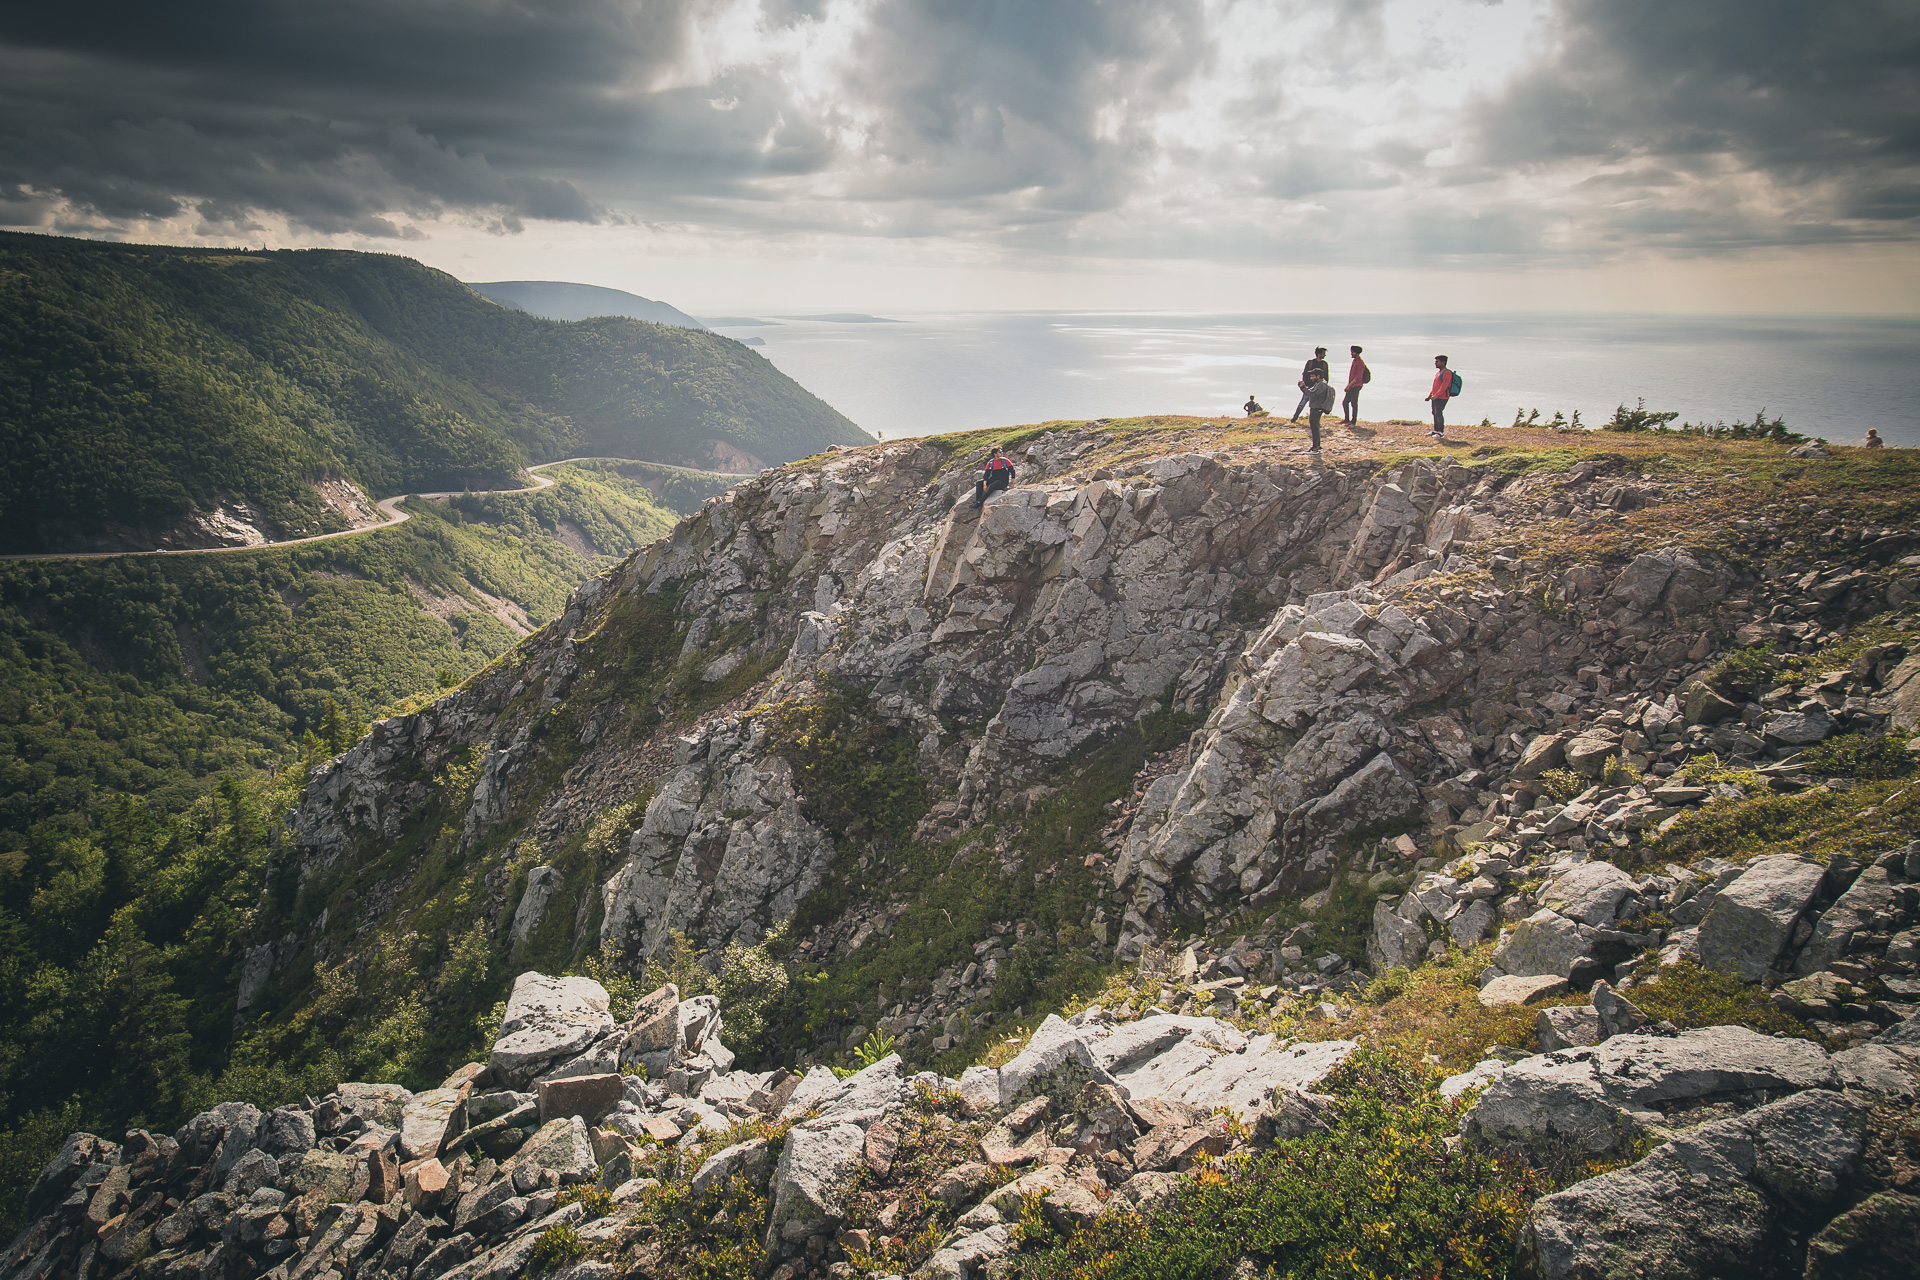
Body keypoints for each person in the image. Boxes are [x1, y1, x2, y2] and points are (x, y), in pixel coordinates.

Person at [1291, 347, 1330, 421]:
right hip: (1309, 386)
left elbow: (1326, 376)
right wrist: (1305, 384)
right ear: (1319, 354)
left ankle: (1313, 420)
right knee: (1303, 403)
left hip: (1319, 388)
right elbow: (1305, 374)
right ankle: (1295, 417)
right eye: (1323, 353)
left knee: (1315, 406)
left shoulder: (1324, 364)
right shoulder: (1310, 363)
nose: (1324, 355)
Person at [1301, 369, 1335, 452]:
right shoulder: (1319, 384)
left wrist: (1302, 387)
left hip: (1317, 409)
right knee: (1315, 427)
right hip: (1316, 408)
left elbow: (1312, 394)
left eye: (1313, 376)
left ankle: (1316, 446)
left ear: (1318, 376)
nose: (1311, 378)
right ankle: (1316, 445)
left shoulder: (1321, 385)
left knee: (1315, 427)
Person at [1425, 354, 1452, 438]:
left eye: (1437, 362)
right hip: (1435, 397)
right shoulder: (1438, 373)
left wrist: (1437, 395)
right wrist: (1430, 396)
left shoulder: (1447, 373)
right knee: (1434, 413)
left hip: (1442, 397)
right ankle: (1436, 430)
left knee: (1439, 413)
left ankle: (1441, 432)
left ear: (1443, 362)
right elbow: (1435, 386)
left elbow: (1444, 386)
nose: (1435, 363)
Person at [1343, 345, 1369, 426]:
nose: (1351, 353)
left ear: (1357, 353)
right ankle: (1346, 419)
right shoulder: (1354, 361)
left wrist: (1349, 385)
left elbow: (1358, 377)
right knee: (1345, 402)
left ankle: (1353, 421)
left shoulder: (1360, 363)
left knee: (1353, 403)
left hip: (1356, 385)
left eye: (1352, 352)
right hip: (1352, 385)